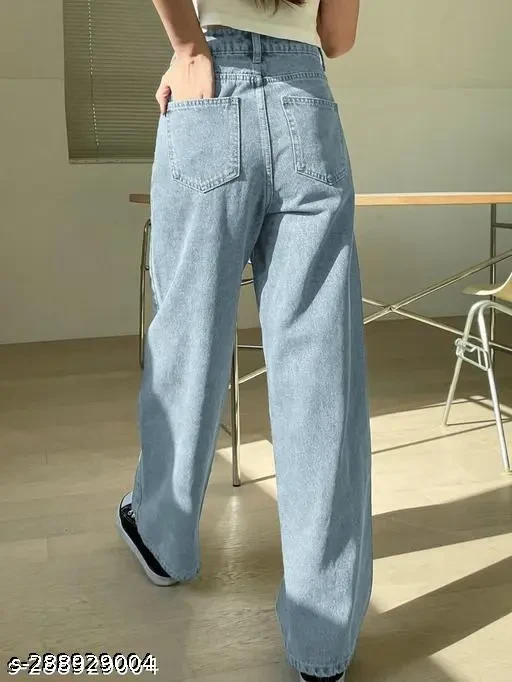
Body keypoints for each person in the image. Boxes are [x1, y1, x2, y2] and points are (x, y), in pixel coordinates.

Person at [116, 1, 372, 680]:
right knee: (320, 371)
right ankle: (323, 647)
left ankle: (164, 539)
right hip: (306, 102)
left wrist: (189, 49)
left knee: (187, 341)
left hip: (209, 90)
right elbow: (337, 37)